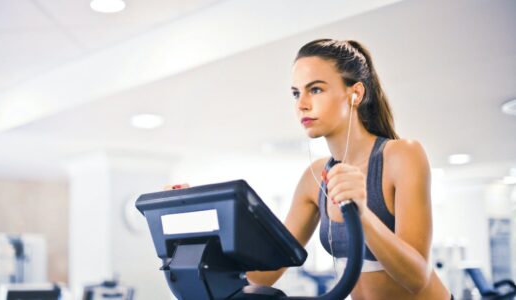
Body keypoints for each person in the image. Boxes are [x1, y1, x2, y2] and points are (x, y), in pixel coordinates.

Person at [168, 39, 452, 300]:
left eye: (315, 89)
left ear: (355, 94)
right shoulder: (314, 177)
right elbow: (268, 271)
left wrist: (362, 213)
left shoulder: (401, 155)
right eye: (296, 93)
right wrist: (194, 233)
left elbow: (417, 277)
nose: (302, 104)